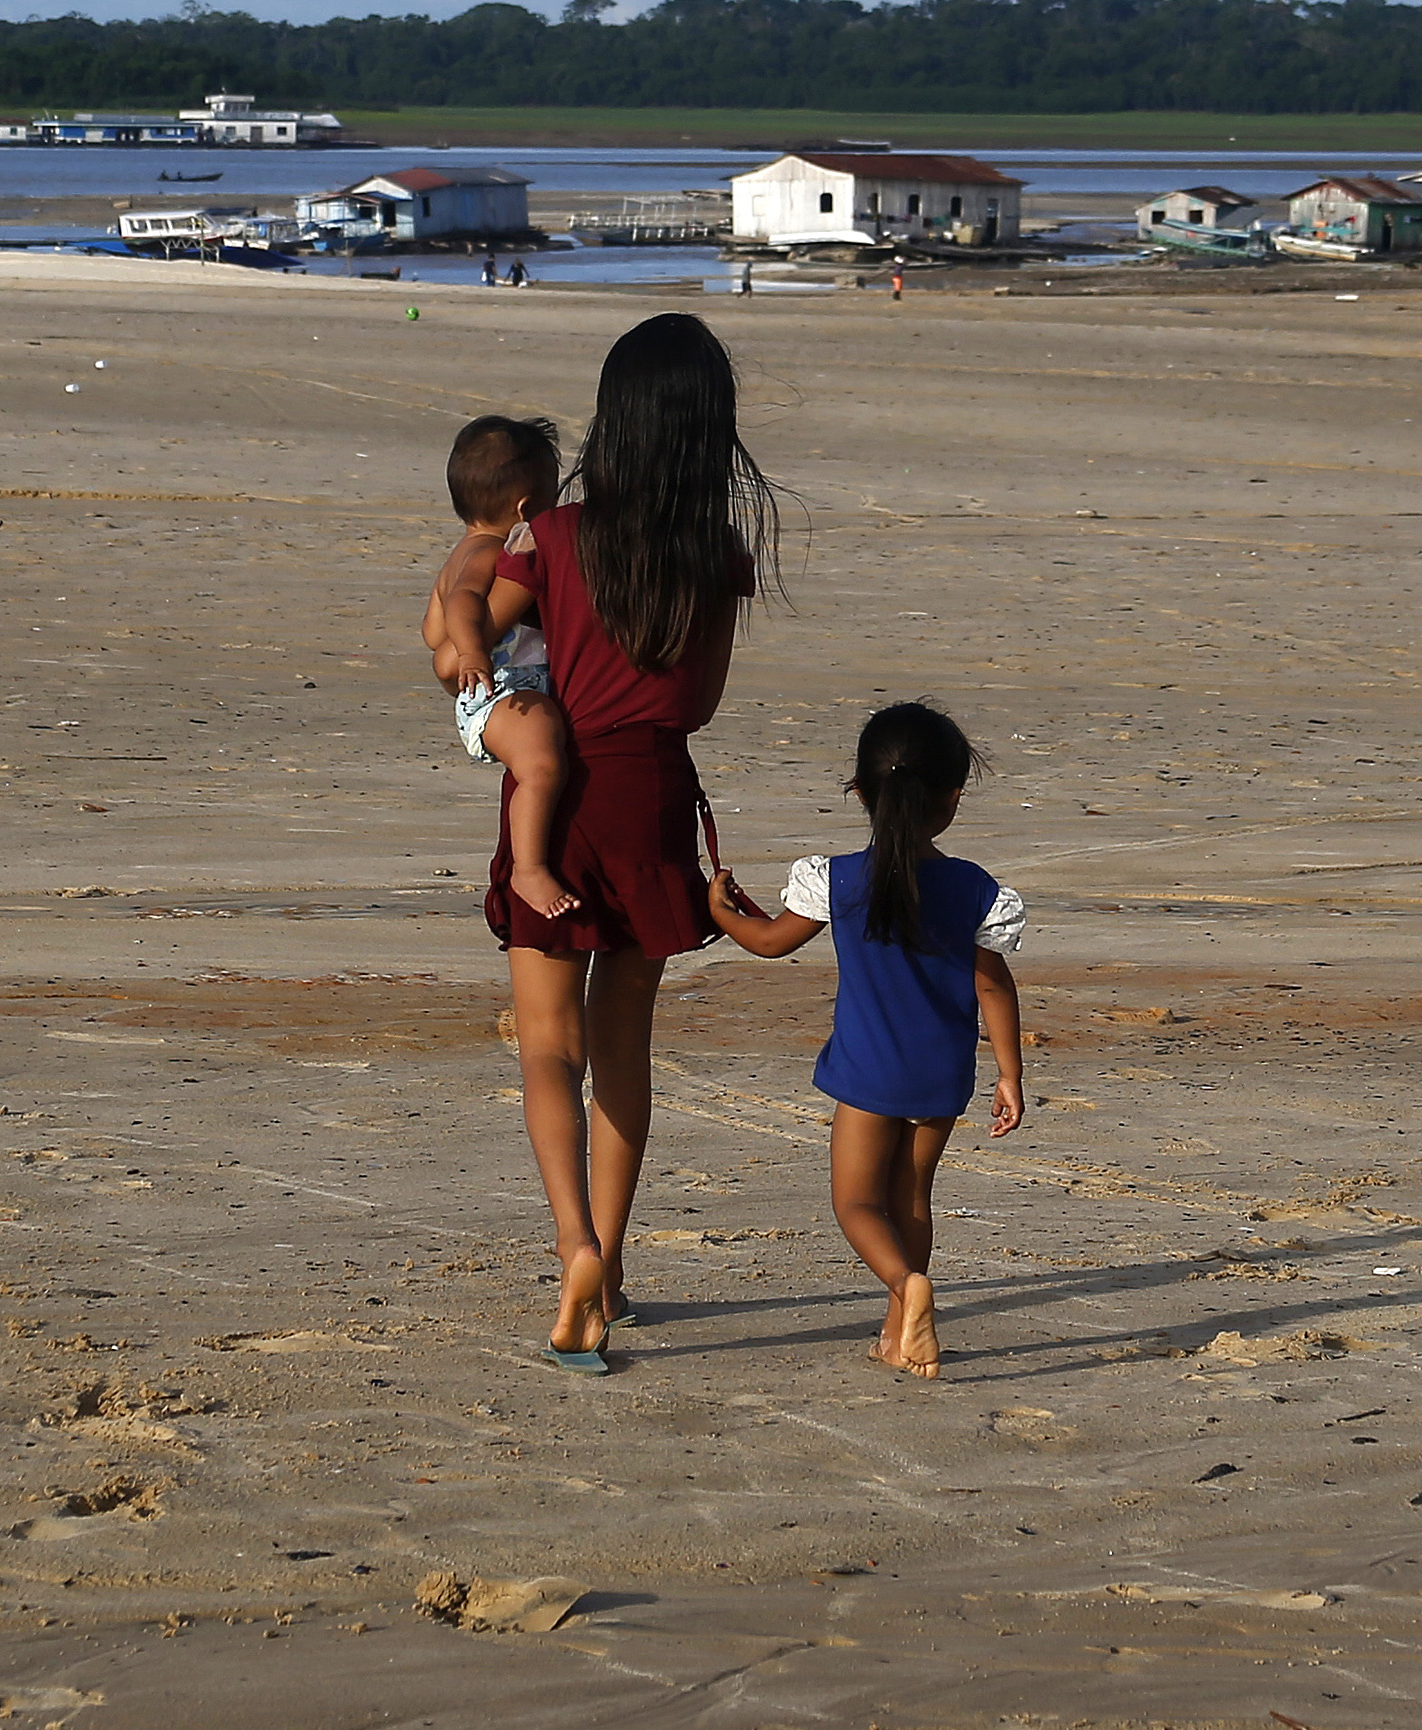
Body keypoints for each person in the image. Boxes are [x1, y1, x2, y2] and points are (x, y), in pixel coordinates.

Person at [474, 314, 777, 1372]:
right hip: (652, 795)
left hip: (554, 798)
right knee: (622, 1052)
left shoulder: (552, 538)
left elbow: (479, 636)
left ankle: (575, 1248)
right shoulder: (717, 555)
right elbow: (700, 697)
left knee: (547, 1046)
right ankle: (613, 1264)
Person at [705, 702, 1026, 1379]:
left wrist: (720, 912)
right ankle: (898, 1335)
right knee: (912, 1200)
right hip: (941, 1077)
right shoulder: (973, 888)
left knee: (855, 1202)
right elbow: (994, 988)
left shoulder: (839, 879)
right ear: (952, 799)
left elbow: (768, 944)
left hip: (866, 1075)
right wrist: (1009, 1074)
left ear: (860, 793)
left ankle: (908, 1292)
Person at [423, 414, 579, 925]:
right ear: (527, 509)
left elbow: (431, 630)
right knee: (541, 765)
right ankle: (528, 867)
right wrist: (471, 651)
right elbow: (463, 603)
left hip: (497, 686)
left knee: (546, 756)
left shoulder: (459, 550)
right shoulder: (491, 551)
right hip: (502, 689)